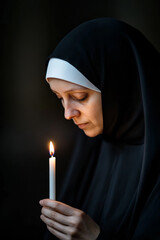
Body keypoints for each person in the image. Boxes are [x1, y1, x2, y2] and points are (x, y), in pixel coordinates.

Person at [39, 18, 160, 240]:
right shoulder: (91, 147)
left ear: (118, 85)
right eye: (60, 98)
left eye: (79, 97)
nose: (68, 114)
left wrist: (94, 237)